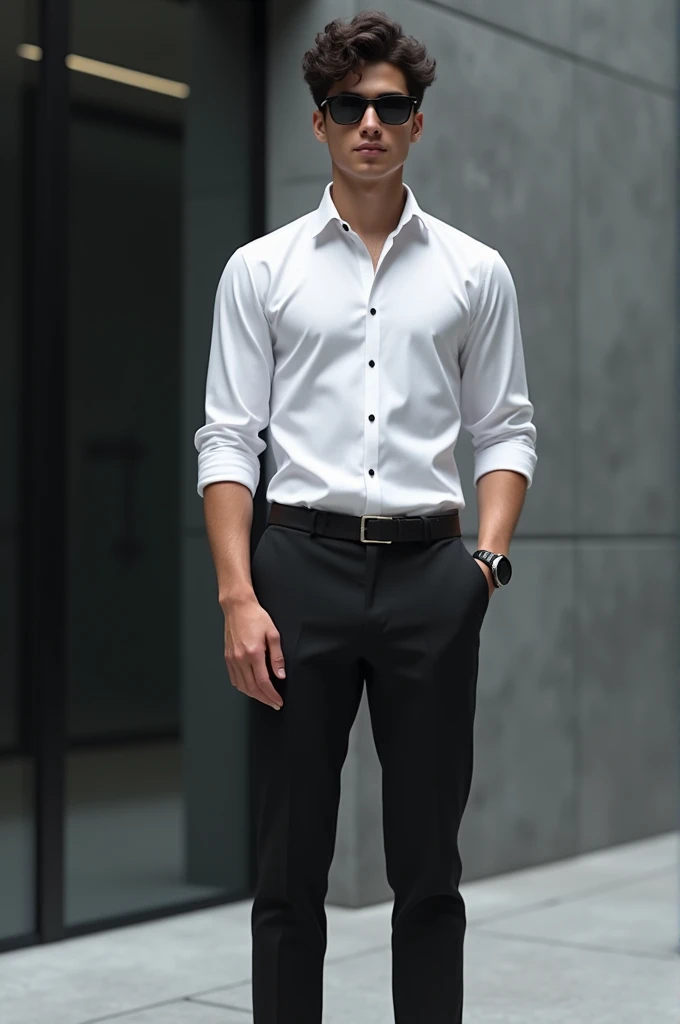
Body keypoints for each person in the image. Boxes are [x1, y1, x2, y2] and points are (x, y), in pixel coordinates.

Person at [194, 9, 537, 1023]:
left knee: (428, 866)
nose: (371, 123)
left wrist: (482, 565)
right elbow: (226, 439)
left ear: (417, 124)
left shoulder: (475, 273)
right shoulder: (260, 270)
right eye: (350, 106)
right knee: (288, 867)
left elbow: (505, 430)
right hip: (294, 571)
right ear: (319, 123)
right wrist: (236, 596)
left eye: (391, 106)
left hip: (433, 574)